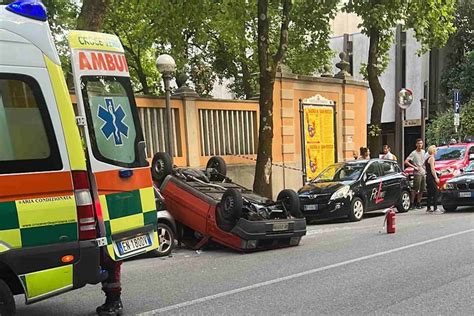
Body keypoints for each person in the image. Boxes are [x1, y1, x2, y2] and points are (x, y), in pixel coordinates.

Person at [405, 138, 426, 209]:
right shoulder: (414, 153)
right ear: (416, 144)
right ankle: (412, 203)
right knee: (415, 188)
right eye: (418, 143)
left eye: (421, 143)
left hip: (423, 172)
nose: (420, 145)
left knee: (422, 189)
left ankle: (418, 203)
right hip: (417, 173)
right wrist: (414, 166)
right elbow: (406, 161)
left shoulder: (423, 152)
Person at [425, 145, 441, 213]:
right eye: (436, 150)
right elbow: (432, 169)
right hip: (431, 177)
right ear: (433, 151)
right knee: (435, 192)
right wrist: (436, 177)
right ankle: (435, 208)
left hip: (428, 176)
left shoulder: (427, 158)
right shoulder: (432, 158)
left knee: (430, 193)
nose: (437, 151)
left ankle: (428, 208)